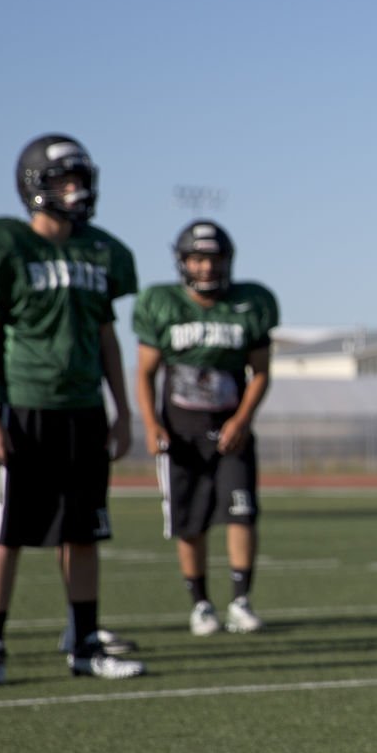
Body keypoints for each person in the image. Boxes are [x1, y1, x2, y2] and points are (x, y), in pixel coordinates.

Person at [0, 134, 143, 686]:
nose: (77, 190)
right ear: (35, 186)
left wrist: (122, 409)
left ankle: (84, 642)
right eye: (65, 180)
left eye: (81, 179)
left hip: (82, 410)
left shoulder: (99, 251)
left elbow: (107, 337)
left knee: (83, 532)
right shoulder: (8, 248)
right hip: (24, 408)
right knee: (5, 530)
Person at [133, 220, 278, 636]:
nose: (206, 268)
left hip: (231, 426)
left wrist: (242, 419)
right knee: (190, 520)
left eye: (213, 259)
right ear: (183, 262)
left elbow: (262, 372)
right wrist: (151, 423)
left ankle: (240, 600)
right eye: (197, 259)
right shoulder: (161, 303)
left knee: (241, 514)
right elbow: (145, 373)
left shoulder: (251, 303)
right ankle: (200, 604)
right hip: (181, 430)